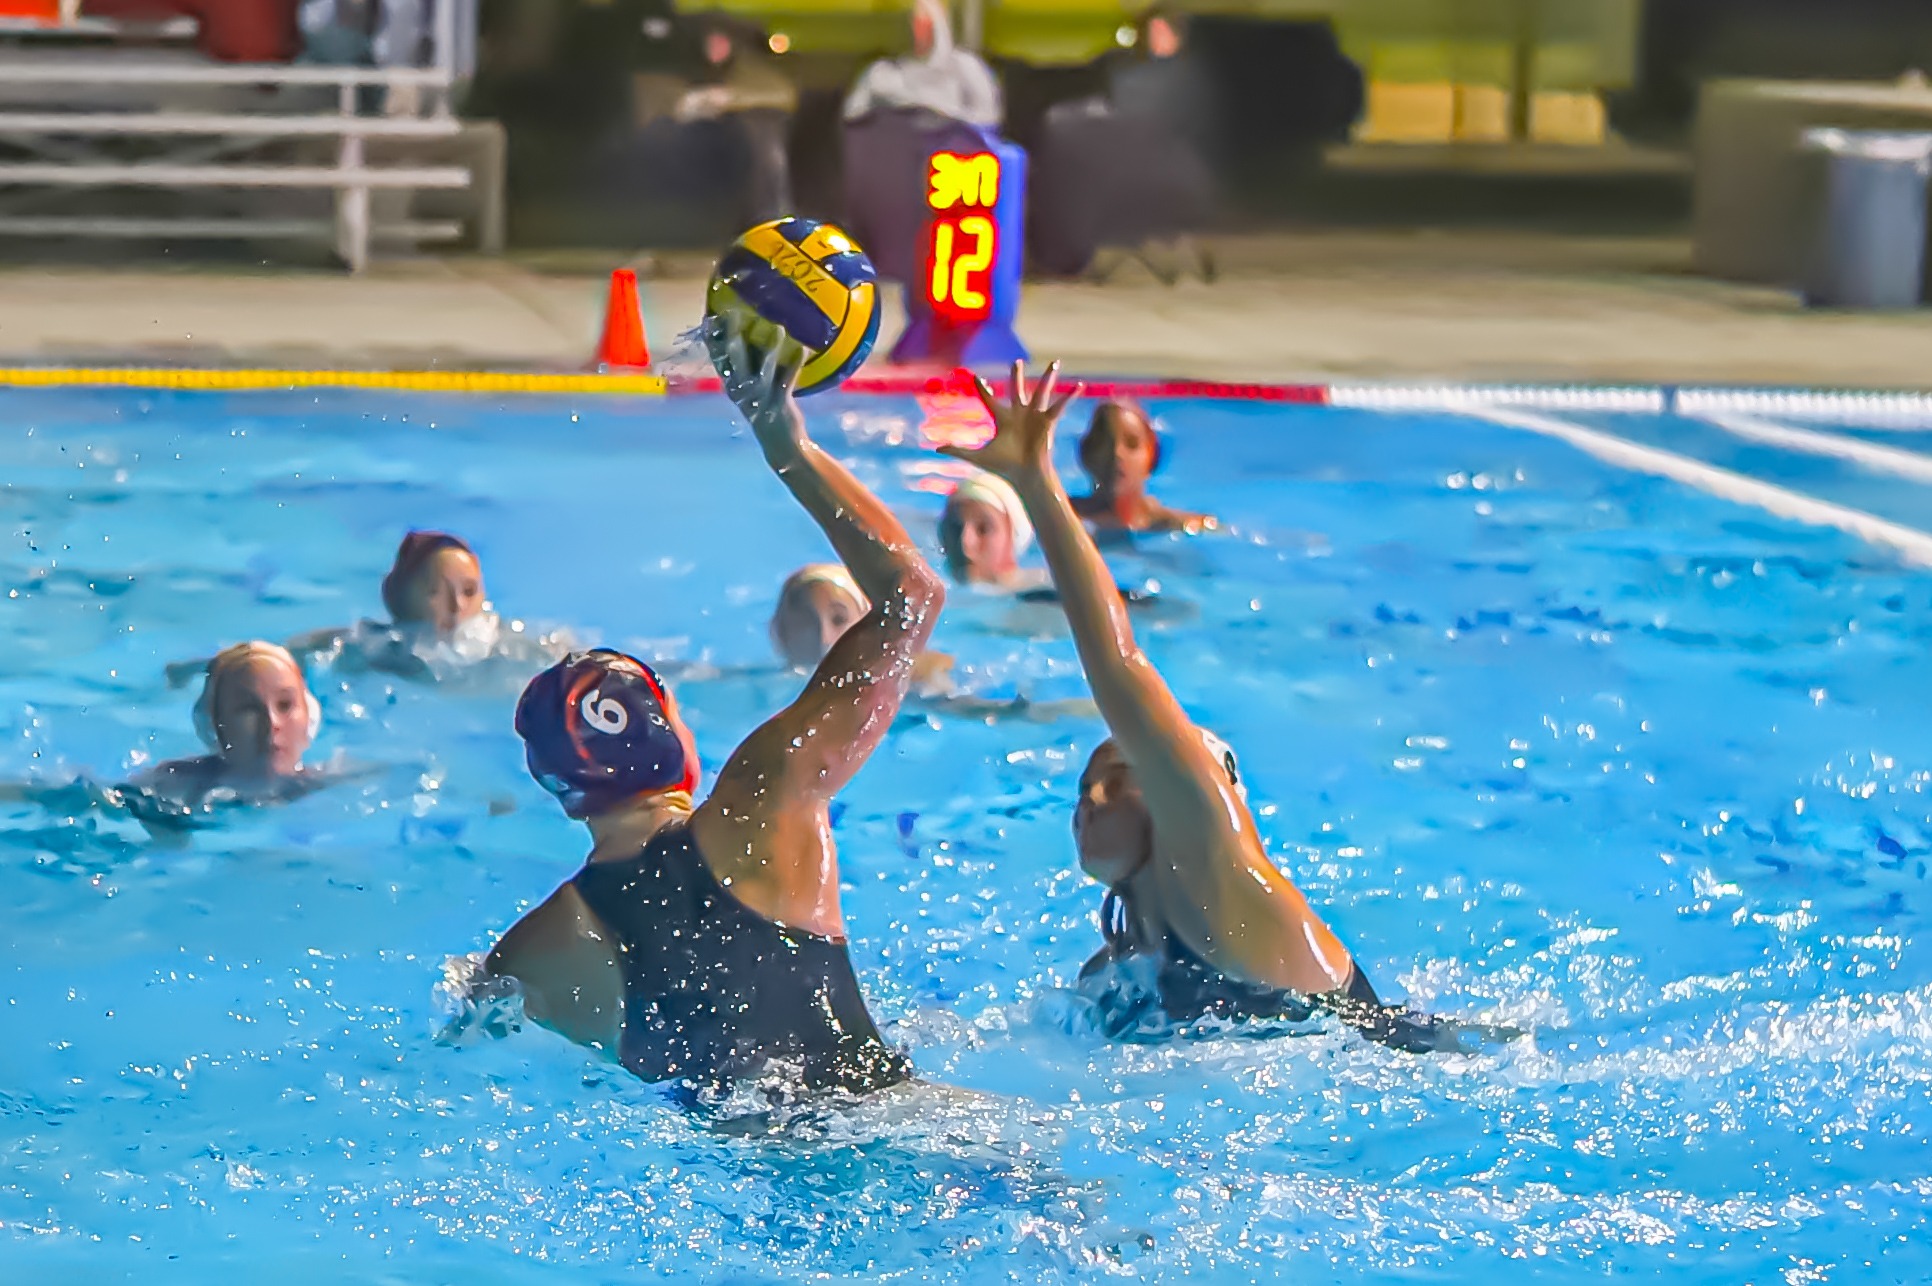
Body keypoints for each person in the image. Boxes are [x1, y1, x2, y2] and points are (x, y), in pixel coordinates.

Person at [944, 362, 1500, 1053]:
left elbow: (1119, 667)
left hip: (1425, 1069)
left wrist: (1038, 485)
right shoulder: (1116, 975)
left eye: (1118, 773)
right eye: (1086, 783)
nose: (1088, 797)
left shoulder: (1229, 889)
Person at [475, 330, 945, 1099]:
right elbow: (911, 596)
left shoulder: (529, 957)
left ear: (555, 785)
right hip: (881, 1124)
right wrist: (789, 448)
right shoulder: (765, 799)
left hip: (743, 1162)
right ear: (676, 739)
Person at [170, 530, 570, 688]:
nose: (456, 607)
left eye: (468, 591)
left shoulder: (515, 649)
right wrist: (203, 668)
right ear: (398, 599)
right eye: (434, 591)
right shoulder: (373, 648)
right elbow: (275, 659)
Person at [770, 562, 1094, 722]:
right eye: (806, 623)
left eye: (839, 620)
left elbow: (970, 711)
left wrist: (1046, 713)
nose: (824, 638)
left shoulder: (903, 681)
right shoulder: (771, 685)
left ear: (868, 628)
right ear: (780, 632)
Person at [668, 19, 798, 224]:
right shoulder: (694, 67)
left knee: (764, 137)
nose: (715, 48)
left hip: (753, 138)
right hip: (714, 143)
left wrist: (730, 99)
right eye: (711, 41)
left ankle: (770, 214)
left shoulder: (749, 66)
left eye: (721, 41)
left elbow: (783, 94)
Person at [841, 0, 1001, 130]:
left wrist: (943, 117)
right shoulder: (880, 75)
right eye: (914, 21)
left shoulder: (965, 67)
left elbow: (988, 118)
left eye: (925, 20)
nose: (917, 28)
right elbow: (853, 119)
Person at [1070, 398, 1216, 535]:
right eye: (1106, 444)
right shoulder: (1065, 518)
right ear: (1086, 455)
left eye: (1132, 444)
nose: (1117, 453)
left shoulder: (1173, 524)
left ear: (1151, 455)